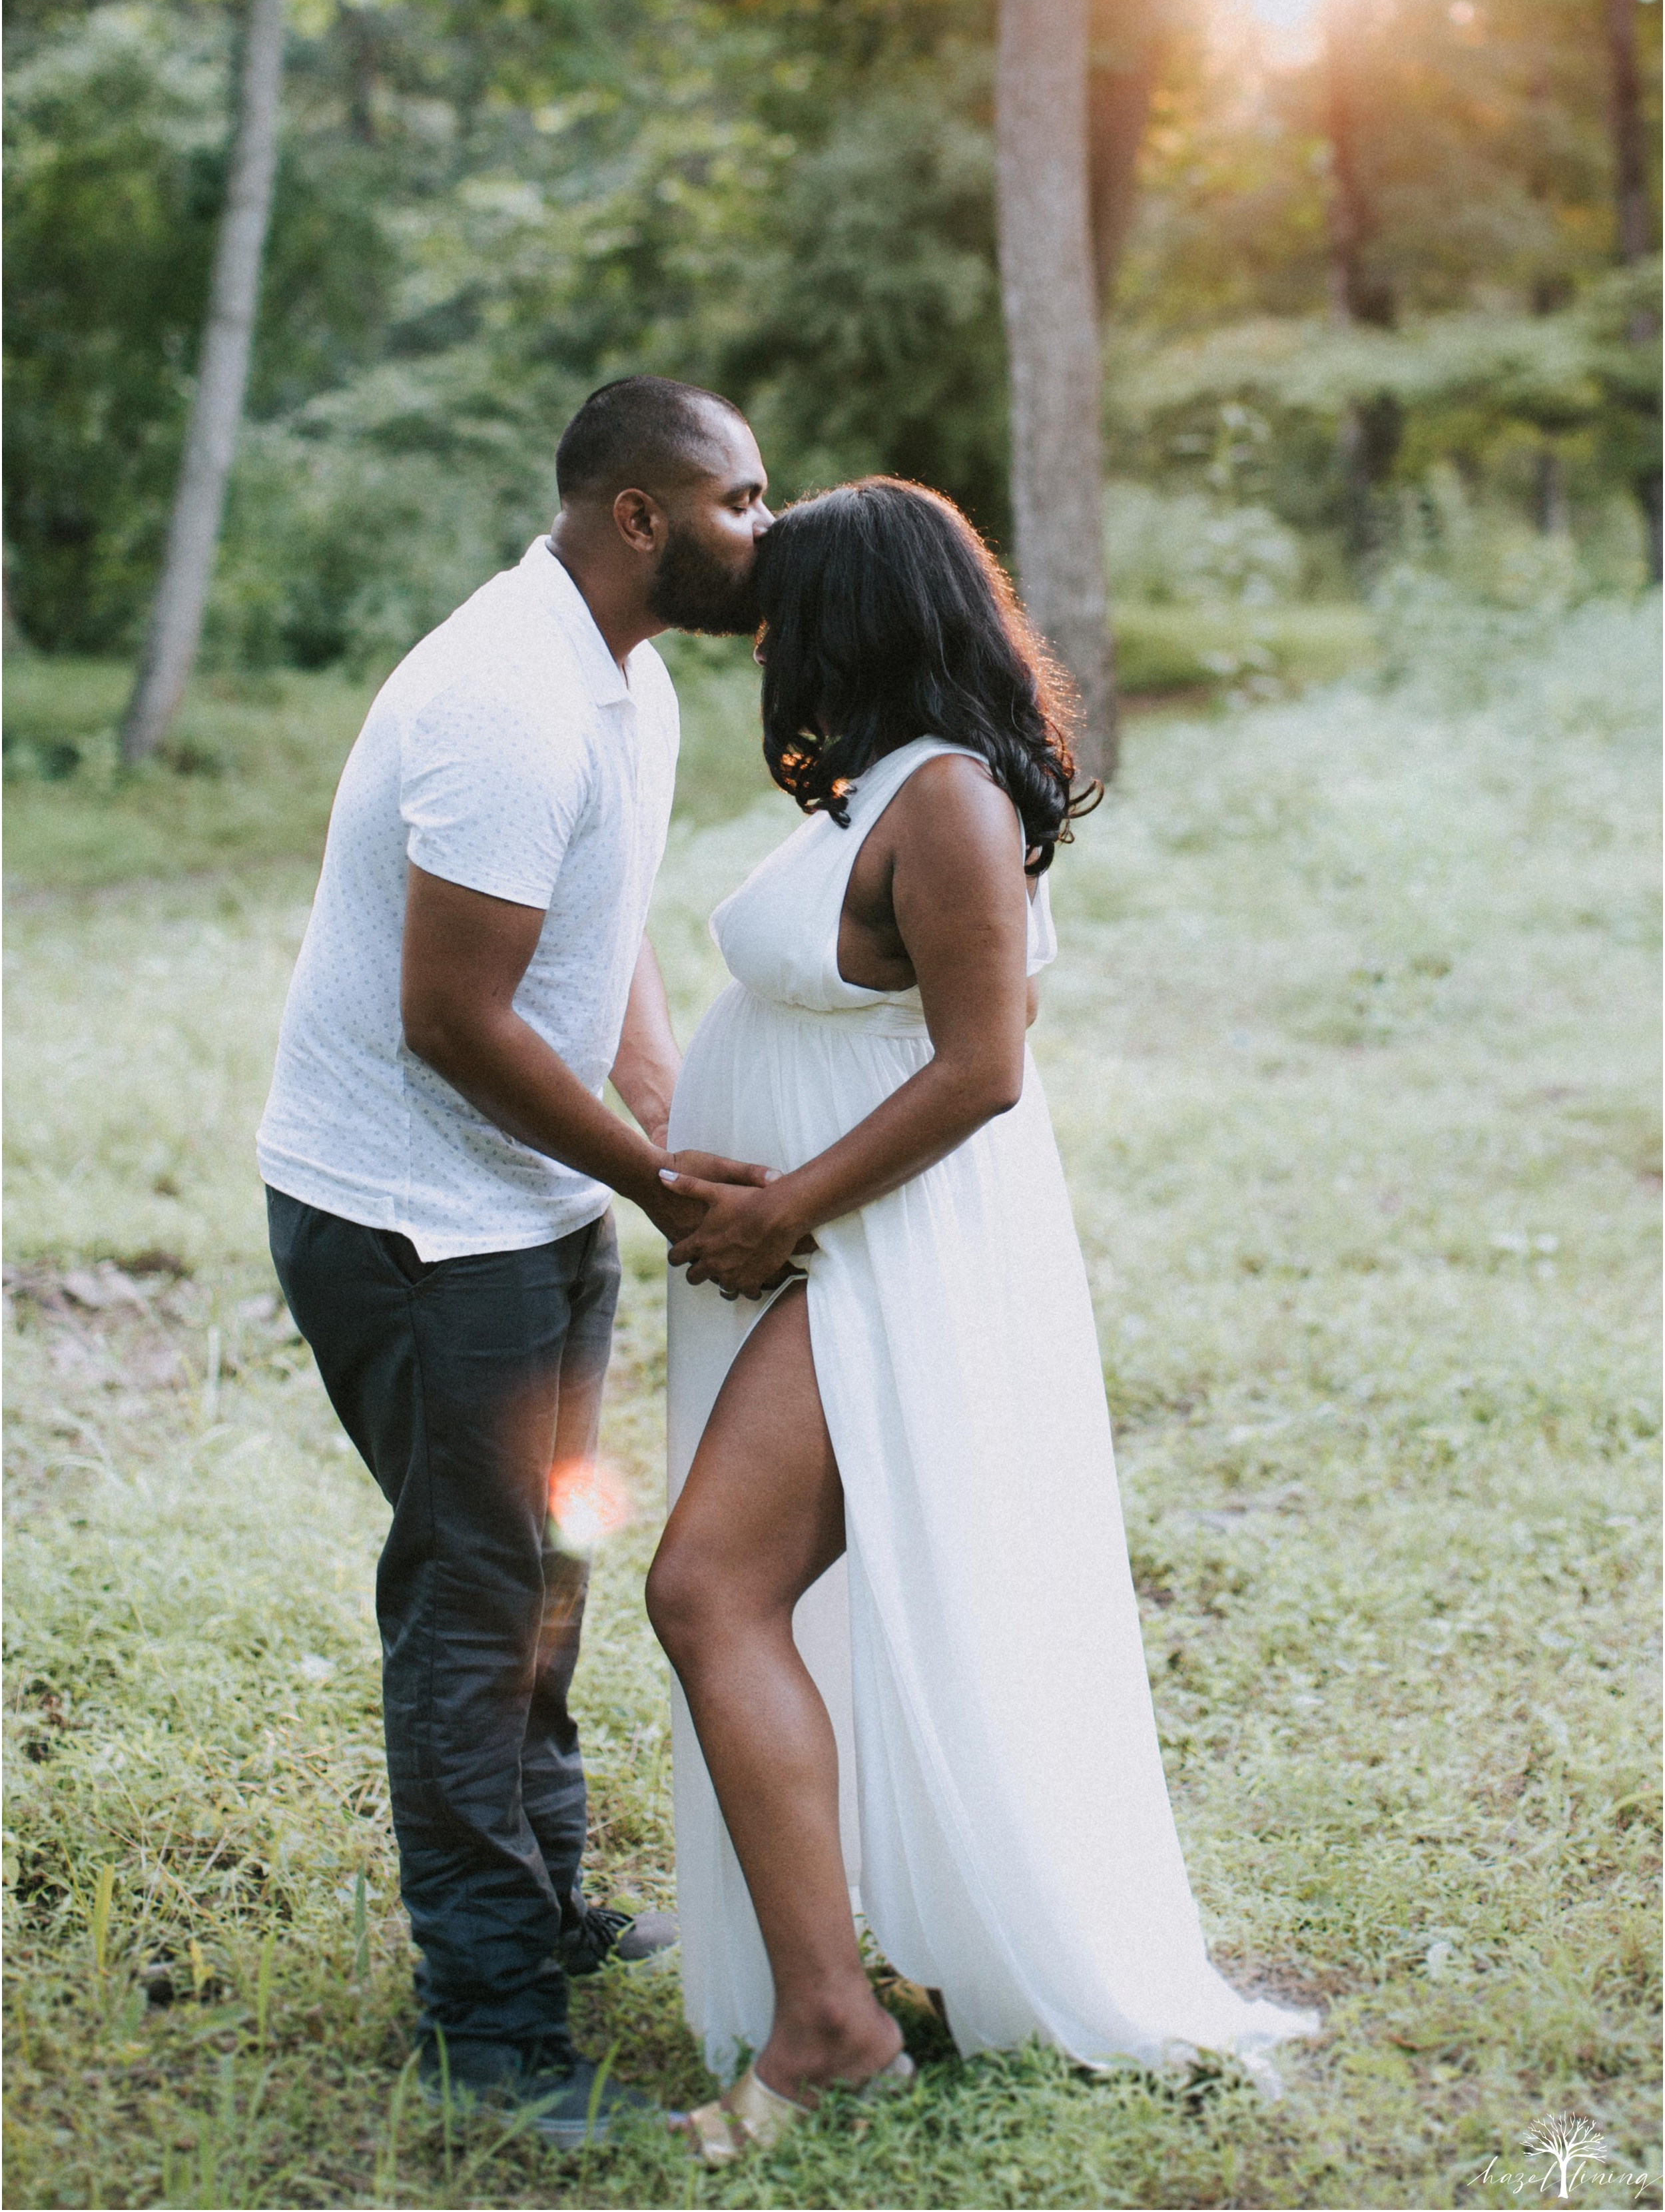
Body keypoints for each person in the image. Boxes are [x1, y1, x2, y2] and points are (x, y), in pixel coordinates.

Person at [645, 478, 1318, 2165]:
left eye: (787, 608)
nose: (768, 642)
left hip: (888, 1254)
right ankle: (837, 1985)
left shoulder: (942, 797)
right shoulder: (868, 783)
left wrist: (784, 1208)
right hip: (818, 1249)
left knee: (706, 1583)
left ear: (852, 615)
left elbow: (981, 1067)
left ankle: (828, 2026)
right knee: (737, 1592)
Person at [258, 375, 778, 2143]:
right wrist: (656, 1182)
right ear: (641, 517)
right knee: (475, 1598)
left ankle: (540, 1904)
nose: (763, 532)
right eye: (740, 501)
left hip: (531, 1203)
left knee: (552, 1559)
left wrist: (656, 1103)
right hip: (413, 1222)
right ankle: (489, 2026)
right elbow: (452, 1019)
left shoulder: (624, 679)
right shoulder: (504, 695)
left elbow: (599, 926)